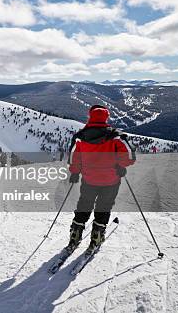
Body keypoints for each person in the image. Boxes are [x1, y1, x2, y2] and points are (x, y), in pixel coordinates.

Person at [66, 105, 136, 253]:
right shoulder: (116, 136)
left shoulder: (80, 136)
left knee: (84, 204)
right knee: (104, 206)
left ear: (90, 117)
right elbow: (129, 156)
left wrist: (74, 172)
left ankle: (75, 234)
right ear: (106, 118)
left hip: (89, 179)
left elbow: (74, 157)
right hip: (111, 180)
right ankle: (97, 236)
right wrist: (120, 165)